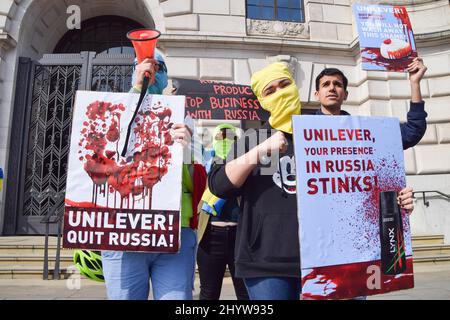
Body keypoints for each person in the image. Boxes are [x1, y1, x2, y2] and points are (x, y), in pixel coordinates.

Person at [208, 61, 423, 300]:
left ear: (296, 88)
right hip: (266, 263)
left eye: (285, 84)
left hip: (332, 258)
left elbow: (367, 175)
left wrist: (395, 200)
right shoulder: (252, 139)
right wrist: (261, 150)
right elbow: (219, 185)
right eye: (270, 90)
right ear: (262, 100)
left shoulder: (329, 134)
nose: (280, 93)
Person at [101, 49, 206, 300]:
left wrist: (188, 151)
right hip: (124, 231)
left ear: (166, 75)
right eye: (144, 65)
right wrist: (137, 91)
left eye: (157, 67)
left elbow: (201, 180)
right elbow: (102, 160)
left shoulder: (183, 117)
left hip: (174, 232)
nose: (150, 71)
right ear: (134, 71)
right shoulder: (109, 110)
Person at [196, 124, 249, 300]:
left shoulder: (245, 164)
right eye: (221, 136)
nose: (225, 140)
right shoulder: (205, 160)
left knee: (246, 293)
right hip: (211, 235)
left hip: (239, 236)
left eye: (231, 137)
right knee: (208, 294)